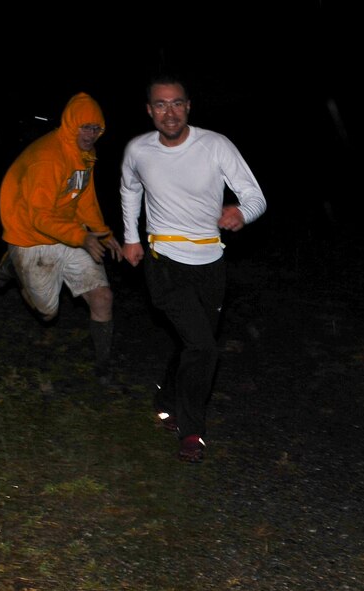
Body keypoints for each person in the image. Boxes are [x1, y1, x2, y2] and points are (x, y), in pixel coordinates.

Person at [119, 74, 267, 462]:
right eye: (161, 105)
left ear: (189, 106)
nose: (170, 112)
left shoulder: (216, 146)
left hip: (211, 264)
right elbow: (130, 188)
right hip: (163, 261)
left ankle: (167, 398)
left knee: (193, 342)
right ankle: (191, 431)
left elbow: (255, 196)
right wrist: (132, 237)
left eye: (177, 103)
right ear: (149, 110)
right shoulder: (138, 150)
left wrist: (242, 213)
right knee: (204, 346)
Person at [0, 92, 123, 384]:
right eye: (84, 127)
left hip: (68, 231)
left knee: (102, 297)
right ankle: (13, 264)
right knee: (48, 313)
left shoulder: (84, 155)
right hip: (31, 237)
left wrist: (102, 232)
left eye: (96, 128)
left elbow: (84, 196)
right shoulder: (48, 158)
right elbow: (39, 217)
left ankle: (103, 365)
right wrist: (82, 237)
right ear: (70, 124)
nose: (90, 134)